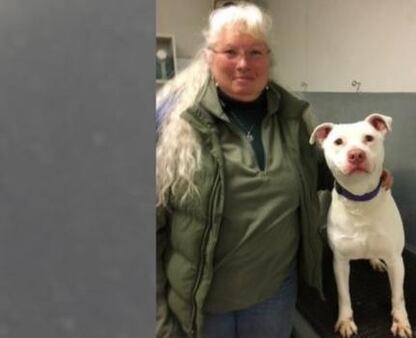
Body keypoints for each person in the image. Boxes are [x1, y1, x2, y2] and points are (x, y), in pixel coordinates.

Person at [155, 2, 391, 337]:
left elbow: (315, 172)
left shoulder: (291, 120)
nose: (243, 64)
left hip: (274, 296)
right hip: (202, 304)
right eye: (230, 51)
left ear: (269, 59)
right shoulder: (174, 125)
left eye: (255, 52)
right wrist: (158, 321)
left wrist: (371, 171)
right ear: (209, 57)